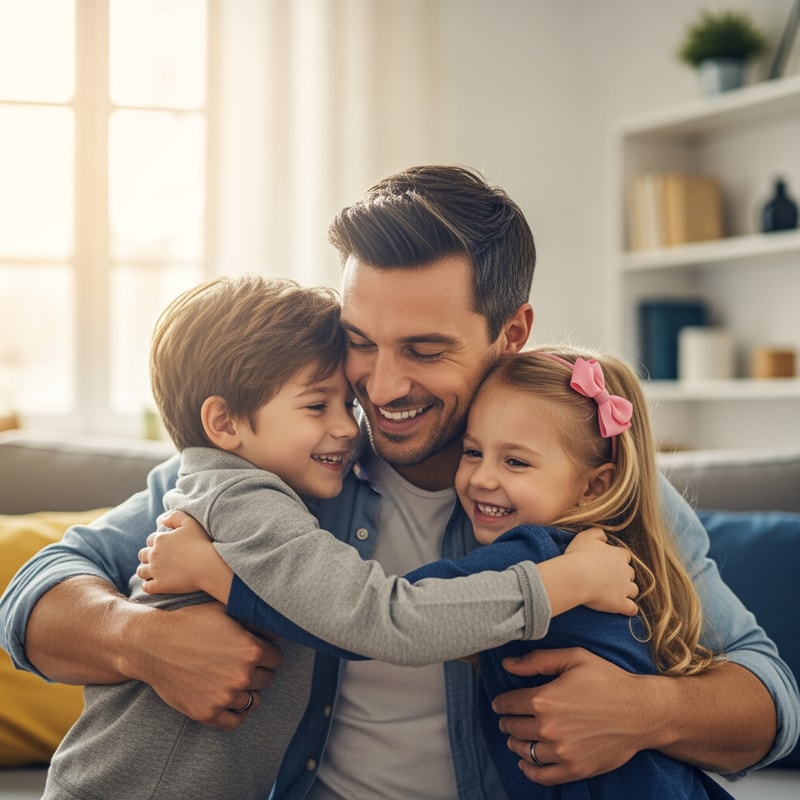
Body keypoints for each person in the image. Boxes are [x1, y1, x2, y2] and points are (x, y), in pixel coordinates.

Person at [1, 166, 797, 798]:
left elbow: (770, 698)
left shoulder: (594, 491)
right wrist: (142, 642)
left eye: (424, 349)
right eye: (359, 342)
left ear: (511, 331)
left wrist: (647, 713)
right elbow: (34, 595)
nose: (379, 389)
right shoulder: (279, 464)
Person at [42, 276, 636, 800]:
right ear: (223, 424)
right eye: (316, 405)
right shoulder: (246, 501)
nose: (352, 423)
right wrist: (568, 579)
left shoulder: (243, 486)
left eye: (344, 404)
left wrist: (216, 576)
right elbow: (379, 618)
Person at [140, 343, 736, 799]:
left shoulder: (537, 550)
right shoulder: (610, 543)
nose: (481, 477)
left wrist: (216, 572)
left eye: (517, 461)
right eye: (473, 452)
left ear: (595, 484)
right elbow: (60, 571)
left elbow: (384, 617)